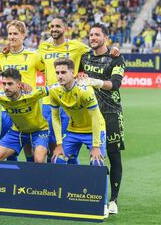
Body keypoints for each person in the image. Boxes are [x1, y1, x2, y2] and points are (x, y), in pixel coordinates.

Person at [38, 16, 119, 163]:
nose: (54, 29)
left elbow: (96, 50)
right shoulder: (43, 47)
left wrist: (113, 49)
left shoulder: (77, 46)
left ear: (65, 29)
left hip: (71, 99)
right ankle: (58, 178)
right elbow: (35, 63)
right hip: (49, 100)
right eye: (51, 26)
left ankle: (72, 176)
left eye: (57, 26)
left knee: (70, 144)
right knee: (52, 142)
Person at [49, 57, 108, 218]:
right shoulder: (54, 90)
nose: (59, 76)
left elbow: (96, 118)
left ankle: (102, 204)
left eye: (63, 72)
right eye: (57, 73)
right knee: (57, 159)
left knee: (97, 163)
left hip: (94, 131)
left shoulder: (85, 90)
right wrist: (59, 143)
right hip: (73, 131)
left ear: (72, 73)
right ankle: (66, 195)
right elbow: (55, 118)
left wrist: (96, 146)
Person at [80, 23, 126, 215]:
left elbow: (115, 84)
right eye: (91, 35)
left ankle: (113, 199)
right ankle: (94, 196)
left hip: (111, 113)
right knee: (94, 155)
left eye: (97, 35)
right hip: (89, 113)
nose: (93, 38)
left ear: (105, 37)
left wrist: (95, 82)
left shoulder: (116, 58)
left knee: (113, 155)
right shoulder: (85, 57)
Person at [0, 20, 45, 162]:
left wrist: (34, 90)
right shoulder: (1, 57)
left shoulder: (34, 55)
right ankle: (12, 181)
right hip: (8, 109)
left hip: (29, 108)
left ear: (23, 35)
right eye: (9, 33)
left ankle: (29, 179)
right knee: (10, 151)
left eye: (15, 33)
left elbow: (47, 73)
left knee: (30, 147)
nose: (11, 37)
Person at [0, 68, 49, 163]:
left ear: (19, 84)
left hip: (39, 131)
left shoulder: (32, 94)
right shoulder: (0, 96)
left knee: (39, 161)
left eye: (10, 84)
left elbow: (54, 88)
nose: (6, 87)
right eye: (4, 84)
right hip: (17, 132)